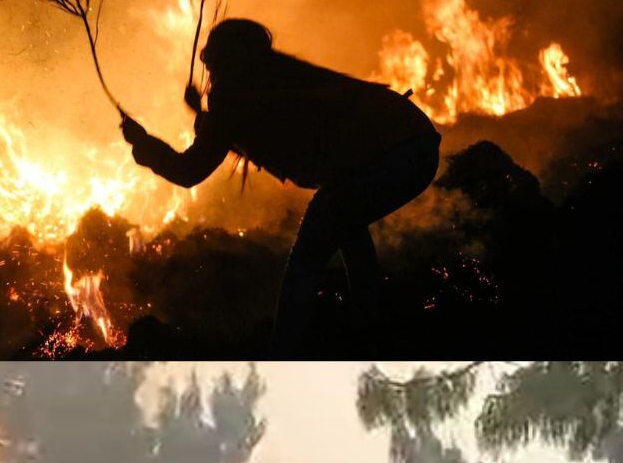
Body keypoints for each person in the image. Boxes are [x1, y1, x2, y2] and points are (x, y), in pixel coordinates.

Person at [117, 20, 441, 355]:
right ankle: (370, 329)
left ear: (228, 61)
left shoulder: (237, 101)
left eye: (213, 61)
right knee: (346, 224)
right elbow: (241, 130)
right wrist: (201, 114)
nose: (208, 67)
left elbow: (190, 170)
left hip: (392, 156)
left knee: (307, 258)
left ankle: (284, 355)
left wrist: (143, 144)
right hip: (414, 144)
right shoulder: (274, 80)